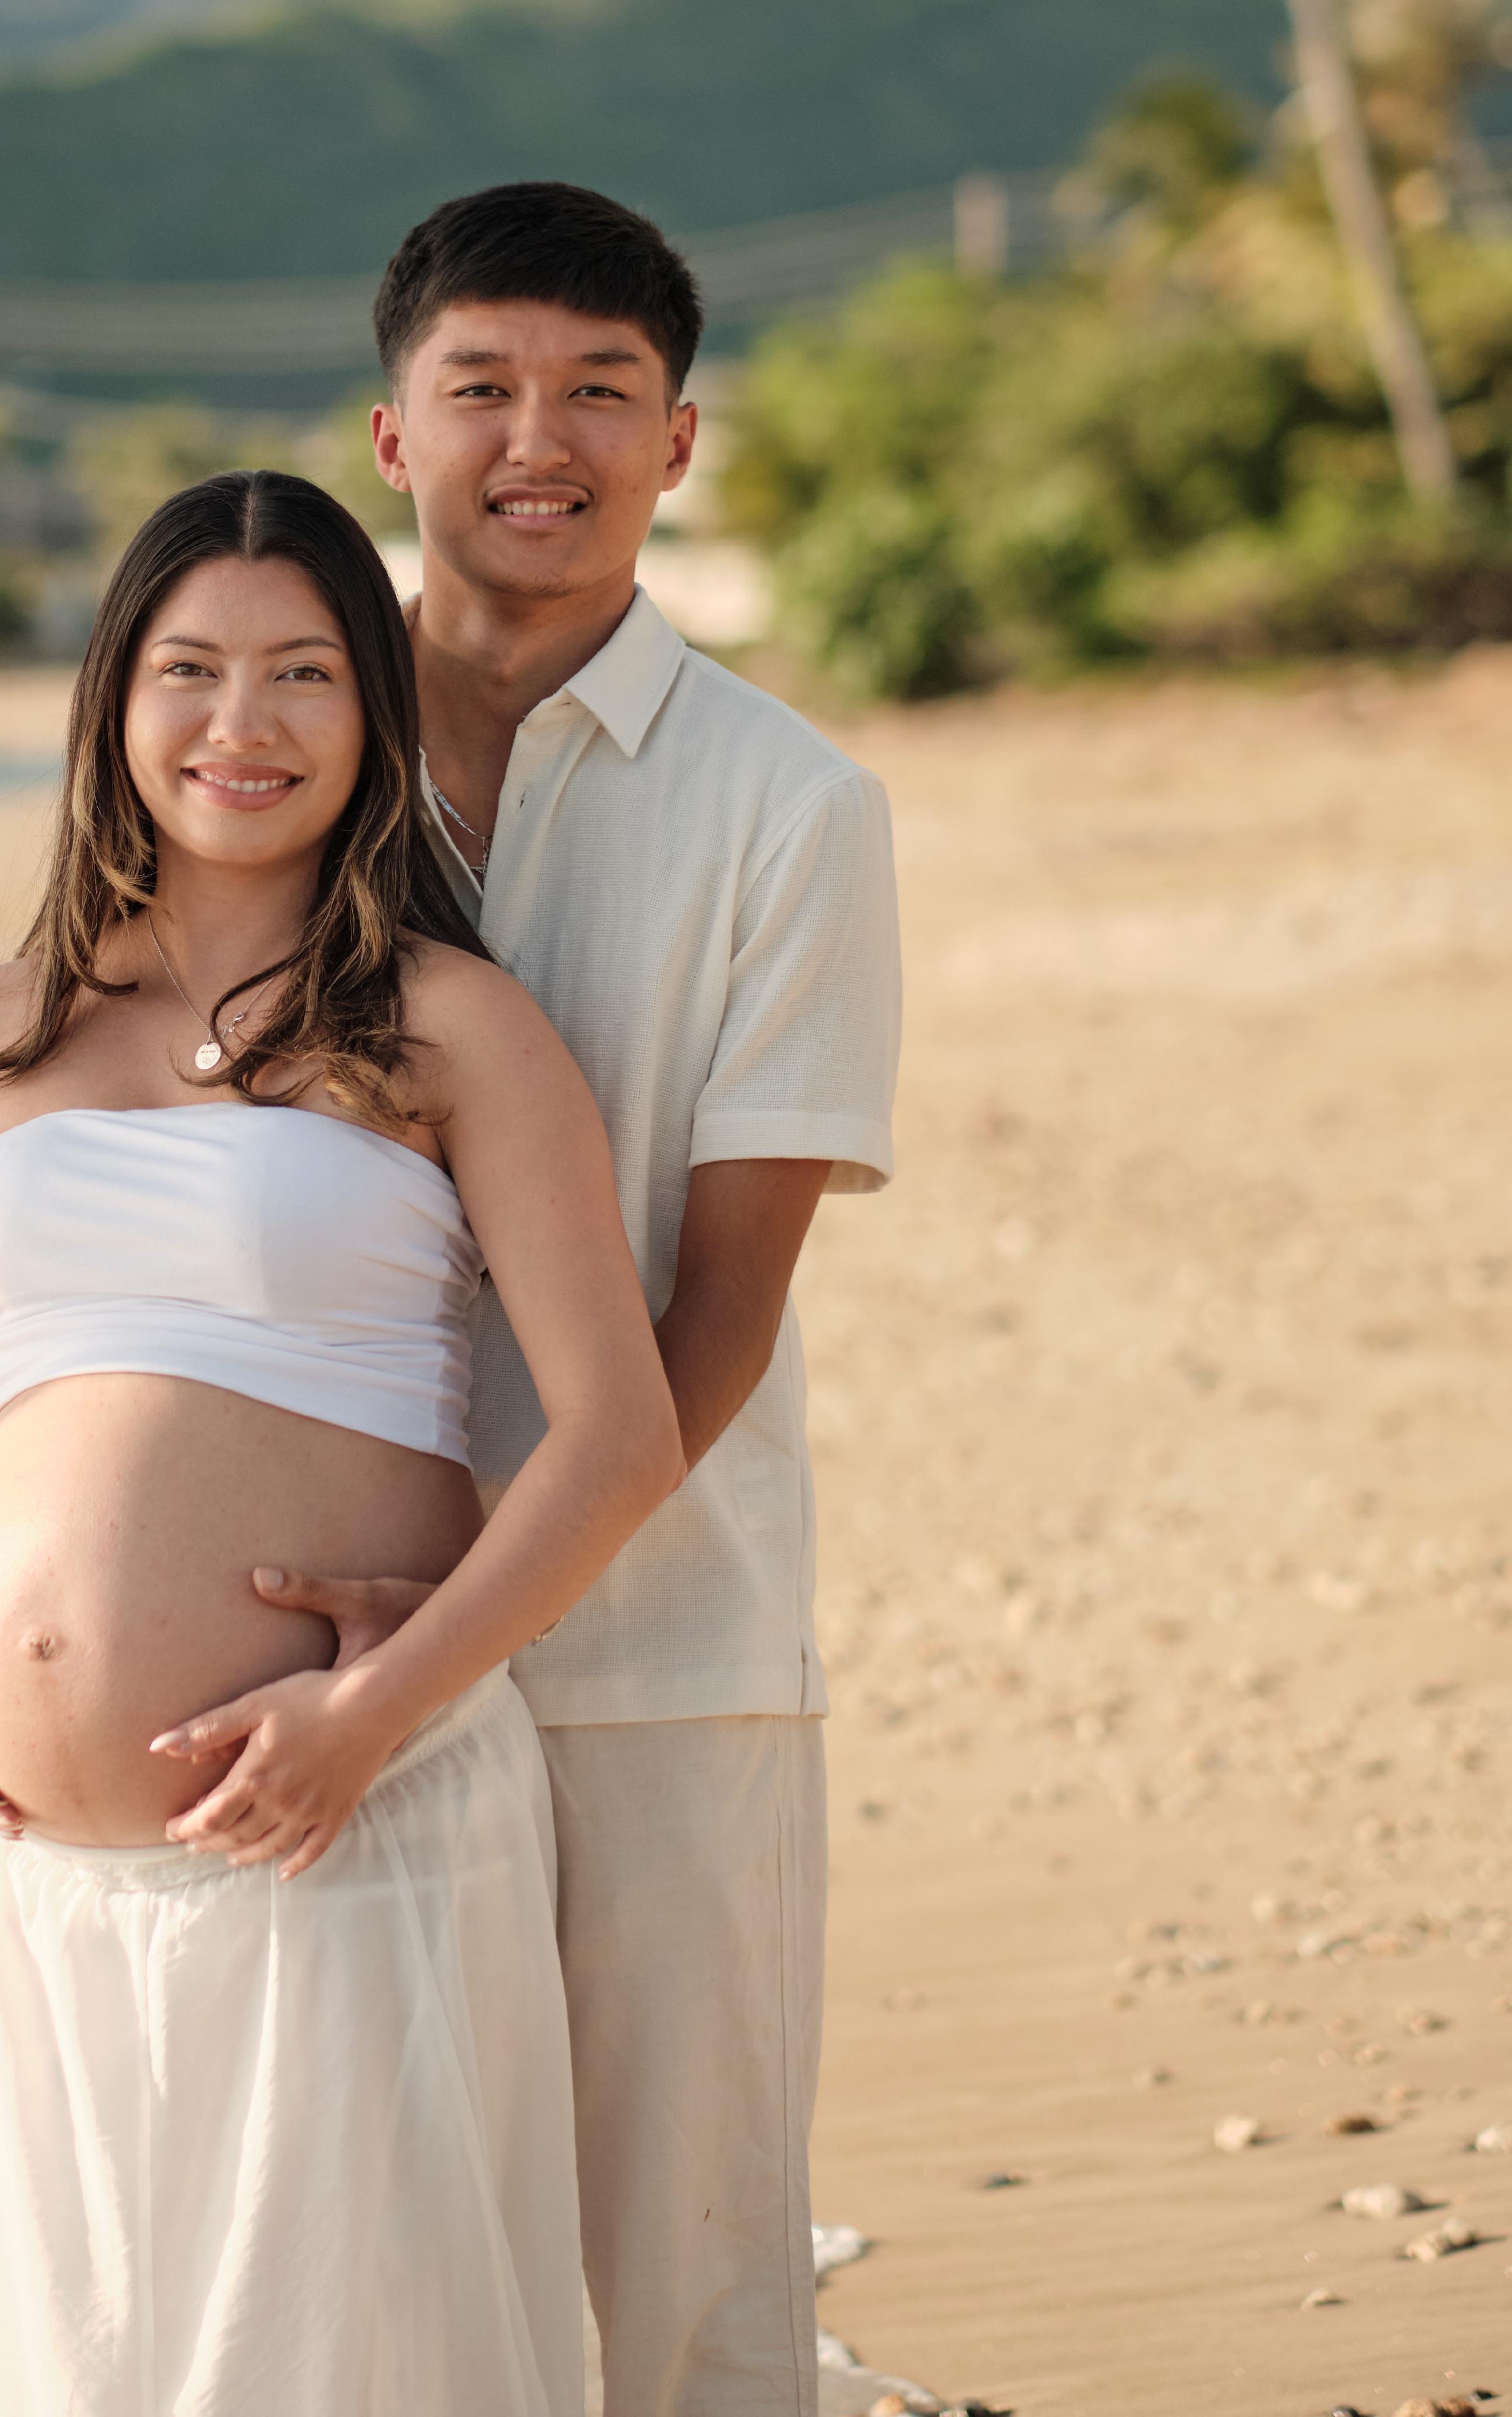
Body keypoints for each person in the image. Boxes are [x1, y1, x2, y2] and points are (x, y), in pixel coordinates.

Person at [0, 467, 682, 2417]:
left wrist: (373, 1716)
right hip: (24, 1866)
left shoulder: (452, 1027)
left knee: (345, 2363)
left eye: (304, 673)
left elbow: (619, 1434)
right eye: (191, 669)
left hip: (345, 1815)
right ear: (113, 707)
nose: (244, 723)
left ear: (371, 718)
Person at [258, 184, 904, 2417]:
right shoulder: (273, 777)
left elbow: (722, 1308)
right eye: (485, 389)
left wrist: (484, 1598)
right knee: (384, 2263)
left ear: (682, 441)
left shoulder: (790, 809)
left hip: (661, 1655)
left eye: (600, 394)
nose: (543, 438)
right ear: (389, 434)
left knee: (691, 2269)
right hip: (305, 1640)